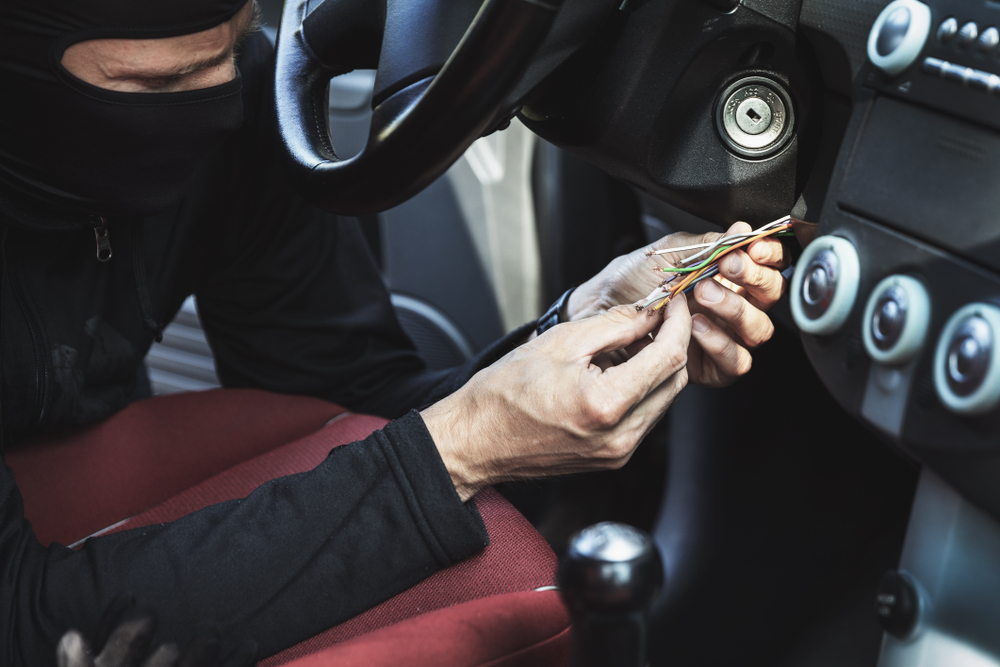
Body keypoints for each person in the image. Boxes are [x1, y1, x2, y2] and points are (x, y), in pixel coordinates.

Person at [0, 0, 789, 664]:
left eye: (235, 51)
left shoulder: (236, 113)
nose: (222, 105)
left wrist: (577, 329)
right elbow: (24, 623)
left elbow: (347, 400)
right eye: (160, 83)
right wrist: (462, 446)